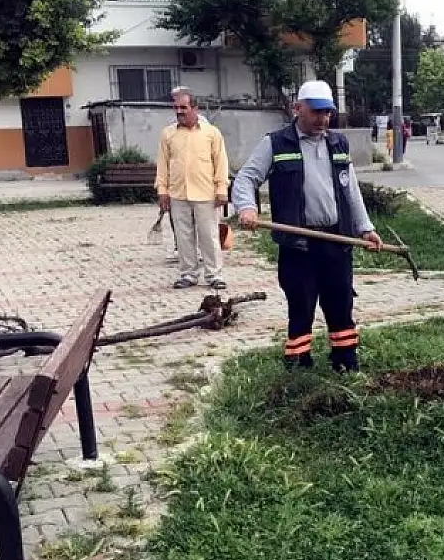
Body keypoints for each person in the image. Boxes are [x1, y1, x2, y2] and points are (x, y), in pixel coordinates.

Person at [232, 80, 383, 372]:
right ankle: (299, 364)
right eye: (316, 112)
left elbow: (350, 189)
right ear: (297, 108)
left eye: (328, 112)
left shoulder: (338, 143)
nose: (323, 119)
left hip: (337, 242)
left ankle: (345, 360)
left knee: (340, 303)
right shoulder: (275, 143)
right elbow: (246, 178)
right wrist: (247, 208)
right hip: (298, 244)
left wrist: (365, 227)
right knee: (300, 305)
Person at [155, 90, 230, 290]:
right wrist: (162, 190)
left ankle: (214, 274)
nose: (179, 112)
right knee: (183, 235)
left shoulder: (211, 132)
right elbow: (163, 164)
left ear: (194, 108)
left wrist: (222, 188)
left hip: (206, 193)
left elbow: (221, 162)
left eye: (183, 108)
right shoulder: (168, 134)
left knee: (209, 235)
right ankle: (188, 274)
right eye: (176, 108)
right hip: (178, 193)